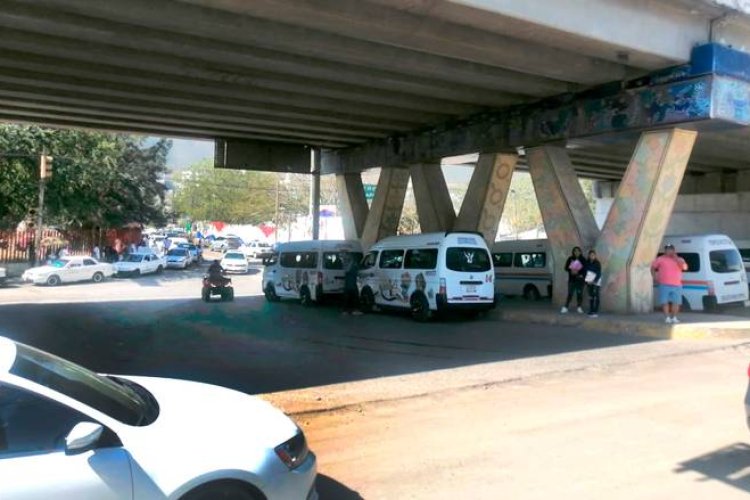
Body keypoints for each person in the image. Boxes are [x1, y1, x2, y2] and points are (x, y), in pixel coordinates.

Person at [652, 243, 688, 324]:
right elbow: (653, 268)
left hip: (677, 284)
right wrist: (654, 277)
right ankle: (667, 318)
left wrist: (676, 259)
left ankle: (674, 317)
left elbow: (685, 268)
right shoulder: (660, 259)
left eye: (671, 249)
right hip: (664, 284)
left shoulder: (680, 259)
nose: (669, 251)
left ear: (674, 250)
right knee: (665, 302)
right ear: (665, 251)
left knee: (676, 302)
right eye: (667, 249)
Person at [560, 246, 586, 314]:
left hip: (580, 280)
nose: (576, 252)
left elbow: (585, 269)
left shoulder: (583, 259)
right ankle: (566, 307)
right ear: (573, 252)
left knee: (579, 294)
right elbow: (566, 268)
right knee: (570, 293)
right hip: (572, 279)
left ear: (580, 252)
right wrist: (571, 270)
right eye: (575, 251)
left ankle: (579, 307)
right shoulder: (570, 258)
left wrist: (578, 272)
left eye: (578, 251)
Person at [584, 249, 602, 318]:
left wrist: (594, 280)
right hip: (589, 281)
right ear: (589, 256)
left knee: (596, 295)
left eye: (593, 255)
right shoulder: (587, 262)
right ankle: (591, 310)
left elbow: (599, 273)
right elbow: (585, 272)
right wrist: (587, 281)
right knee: (591, 296)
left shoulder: (597, 263)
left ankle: (595, 311)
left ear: (595, 256)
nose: (592, 256)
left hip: (596, 281)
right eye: (590, 255)